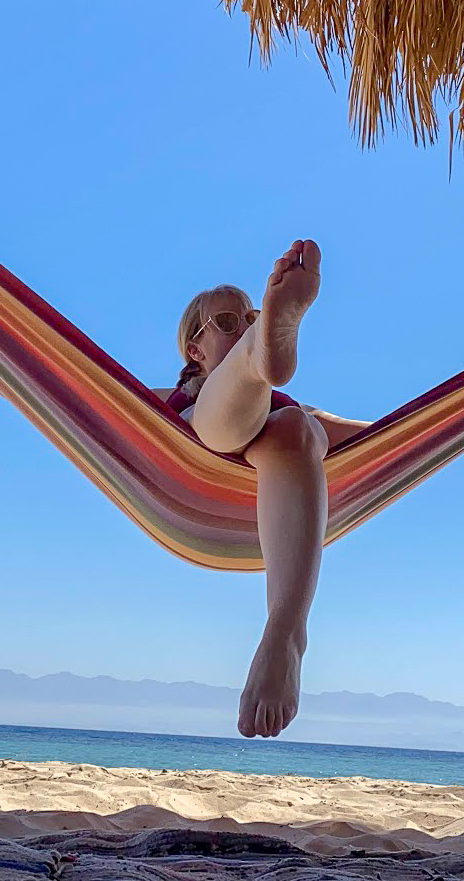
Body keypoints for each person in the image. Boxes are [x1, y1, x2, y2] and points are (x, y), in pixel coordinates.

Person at [166, 240, 369, 738]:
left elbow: (385, 436)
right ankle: (259, 361)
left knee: (300, 428)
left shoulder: (291, 410)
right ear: (194, 349)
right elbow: (97, 403)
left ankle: (284, 635)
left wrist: (448, 428)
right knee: (227, 420)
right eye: (228, 324)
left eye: (251, 320)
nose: (240, 326)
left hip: (279, 451)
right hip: (203, 443)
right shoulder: (162, 400)